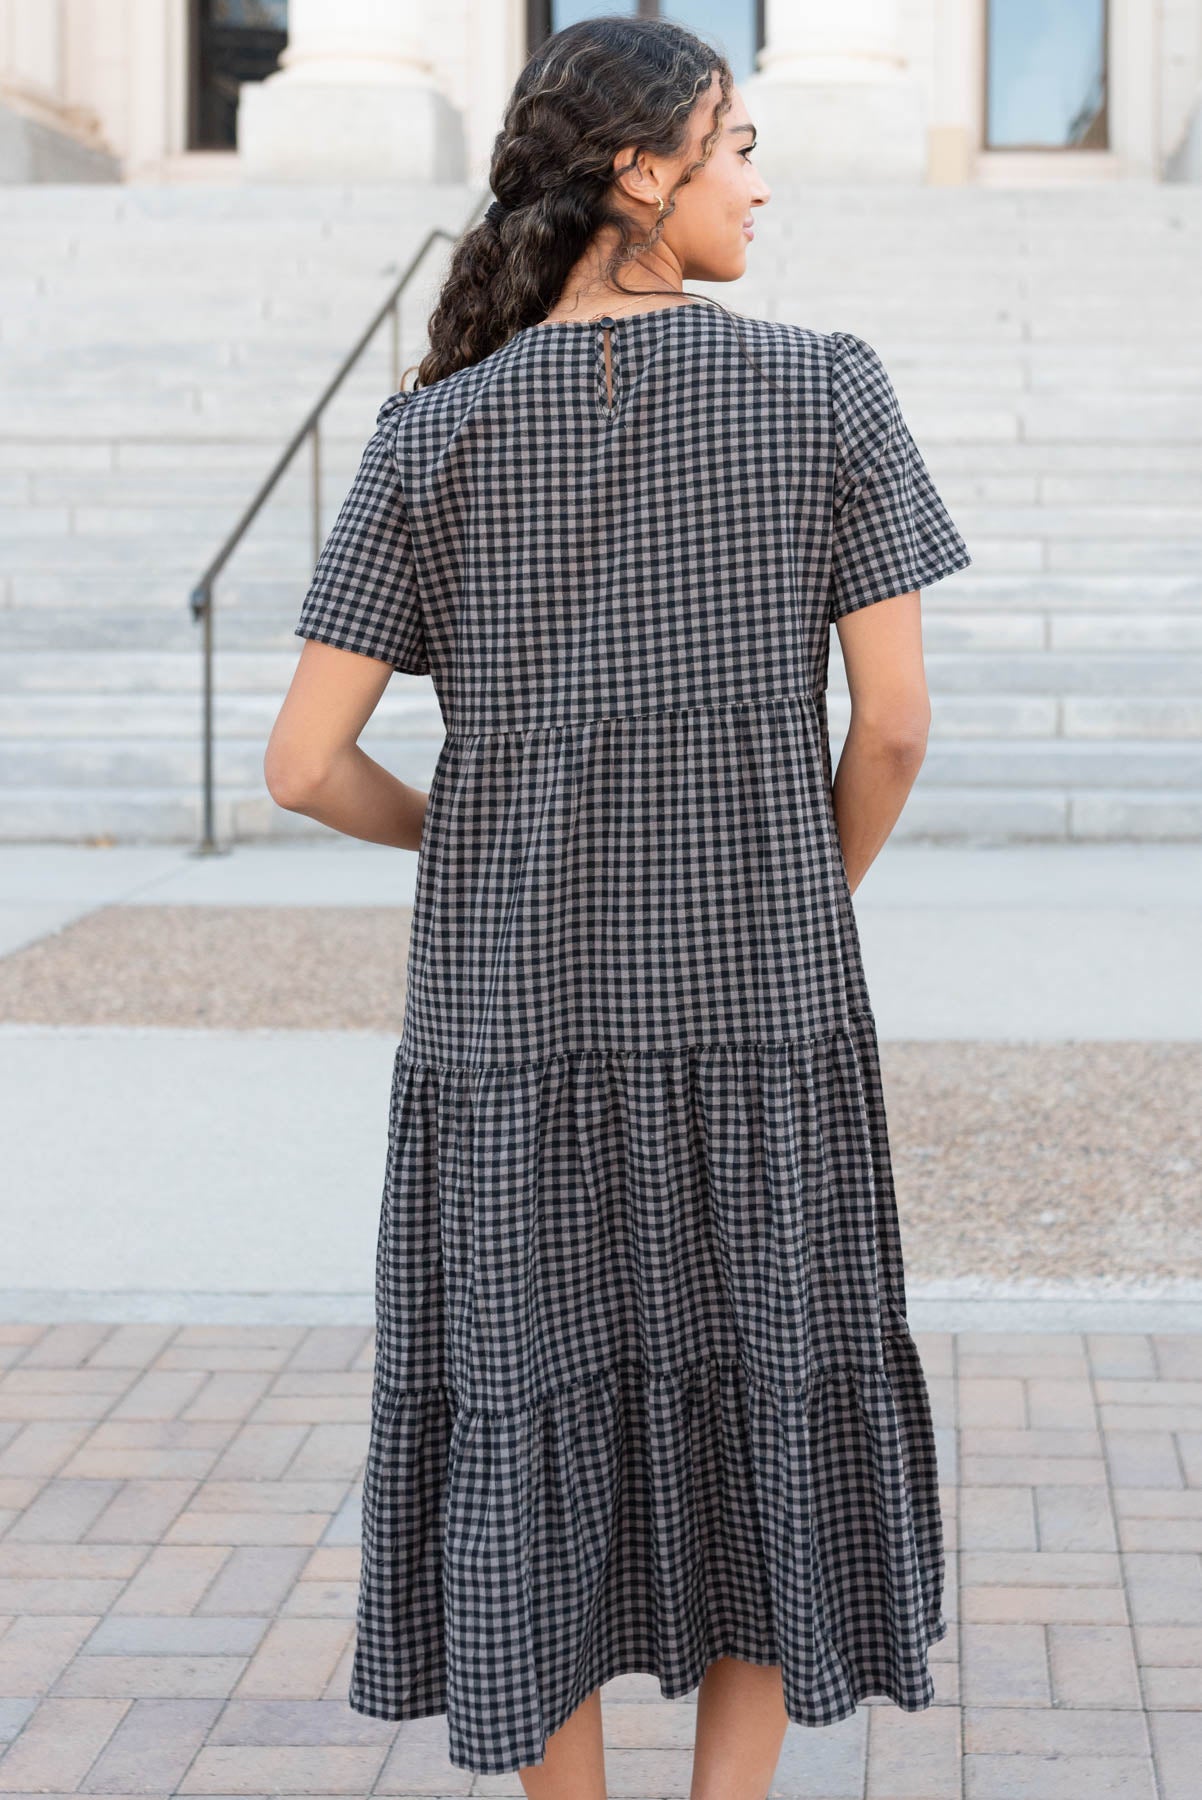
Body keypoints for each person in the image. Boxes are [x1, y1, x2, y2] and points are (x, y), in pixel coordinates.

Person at [264, 16, 970, 1800]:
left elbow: (298, 765)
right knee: (766, 1399)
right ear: (638, 171)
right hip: (759, 1007)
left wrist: (471, 839)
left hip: (512, 1034)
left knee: (531, 1417)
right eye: (735, 146)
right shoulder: (825, 389)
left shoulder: (431, 433)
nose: (759, 180)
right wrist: (798, 895)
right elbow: (891, 726)